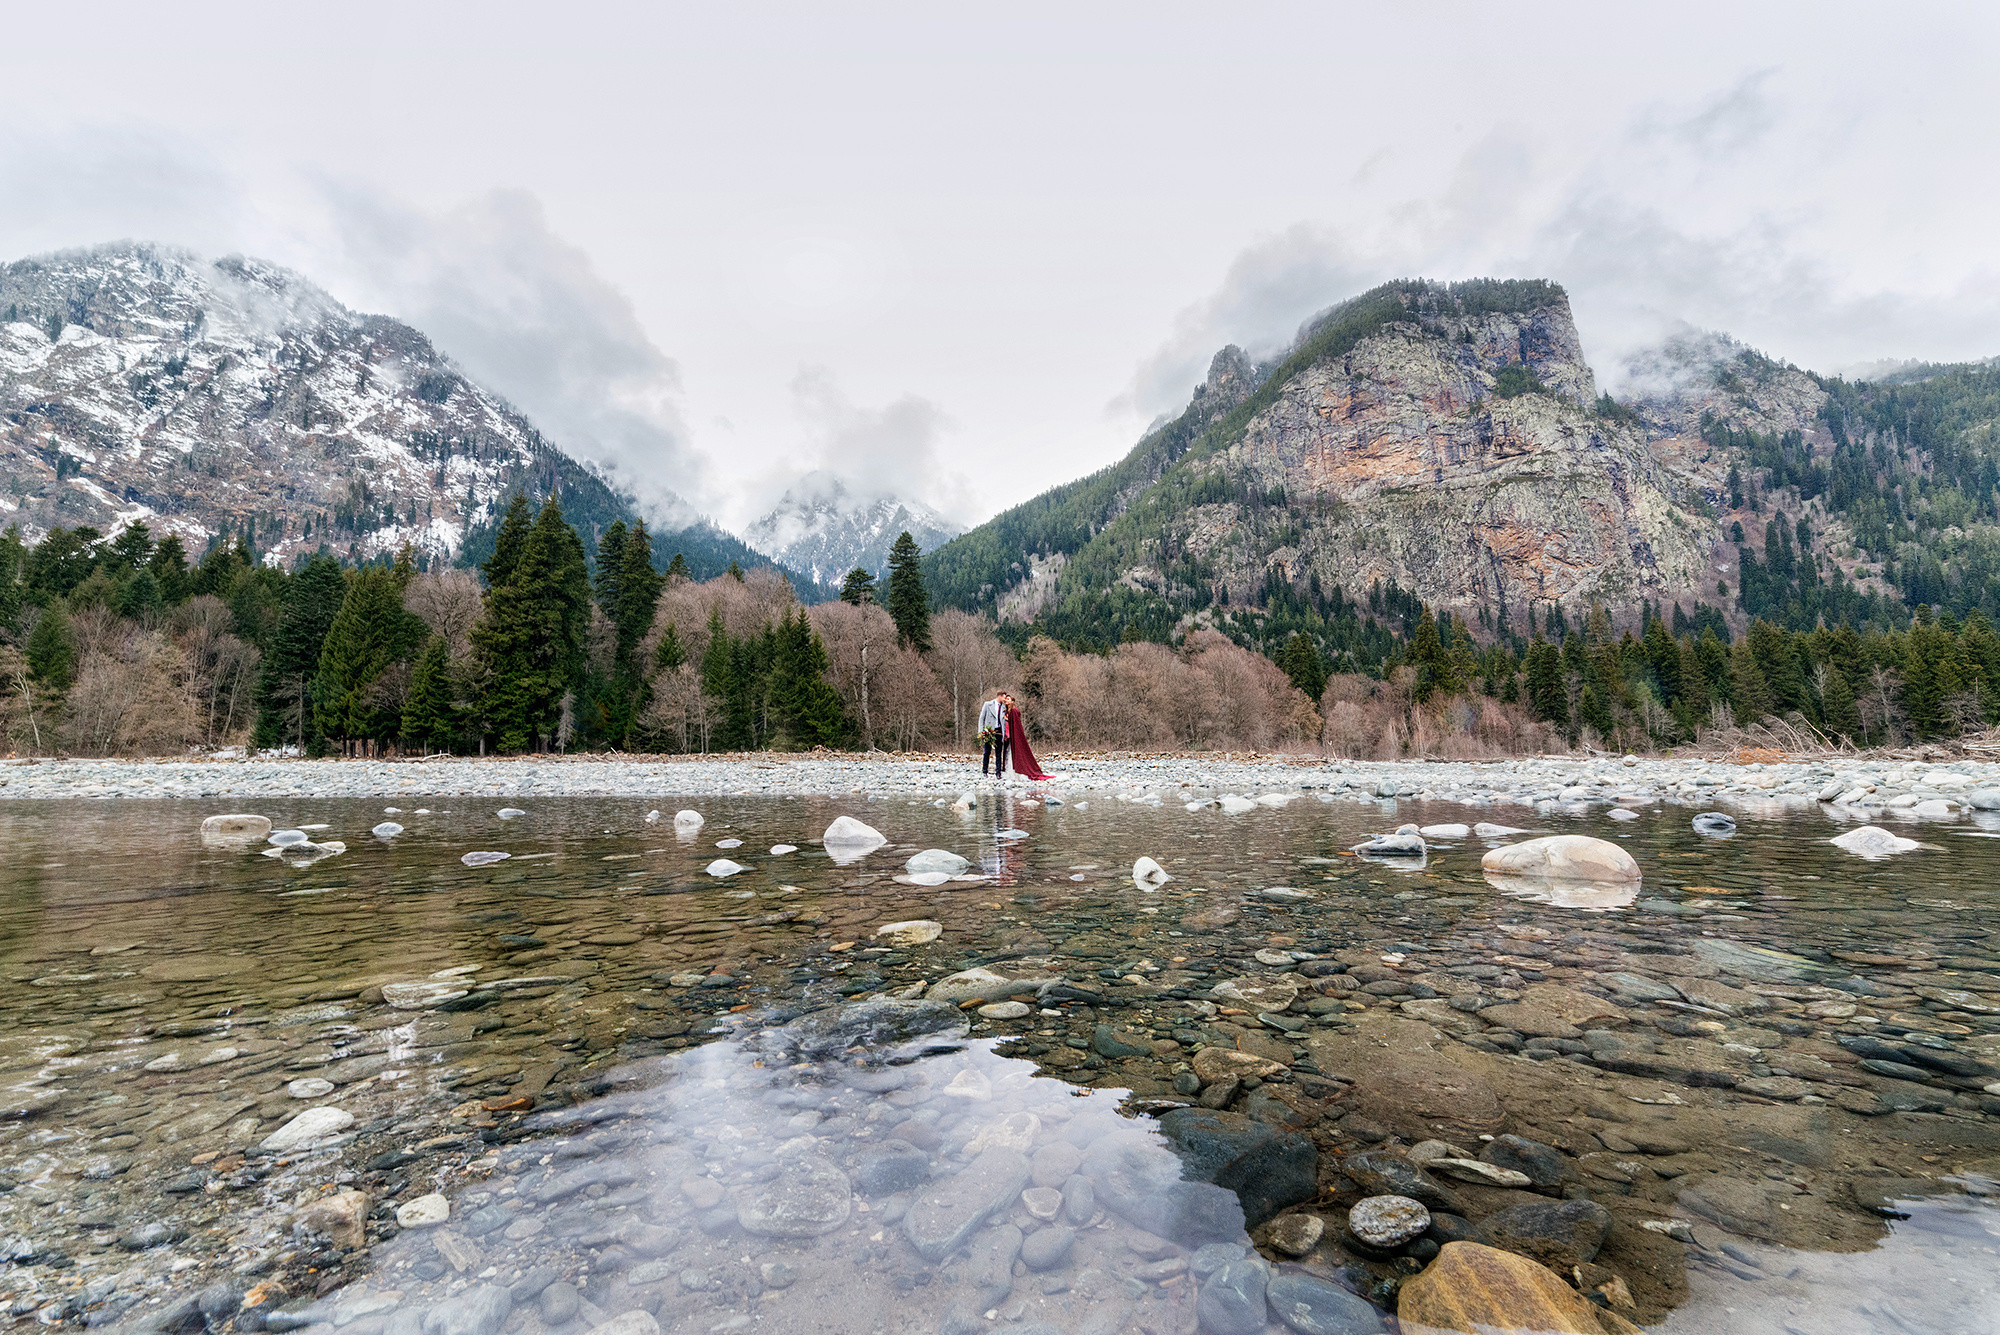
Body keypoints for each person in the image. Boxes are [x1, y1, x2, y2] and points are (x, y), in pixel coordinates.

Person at [1004, 694, 1052, 782]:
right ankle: (1012, 772)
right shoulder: (1010, 711)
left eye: (1008, 699)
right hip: (1013, 737)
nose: (1006, 700)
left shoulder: (1013, 711)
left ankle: (1017, 773)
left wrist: (1007, 719)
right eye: (1006, 699)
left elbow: (1016, 725)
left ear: (1012, 701)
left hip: (1016, 737)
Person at [978, 691, 1009, 777]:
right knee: (987, 751)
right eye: (1004, 697)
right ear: (999, 696)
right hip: (989, 731)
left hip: (999, 731)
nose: (1005, 699)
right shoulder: (988, 704)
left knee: (998, 752)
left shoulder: (1004, 707)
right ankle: (985, 771)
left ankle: (998, 773)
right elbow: (981, 719)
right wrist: (981, 732)